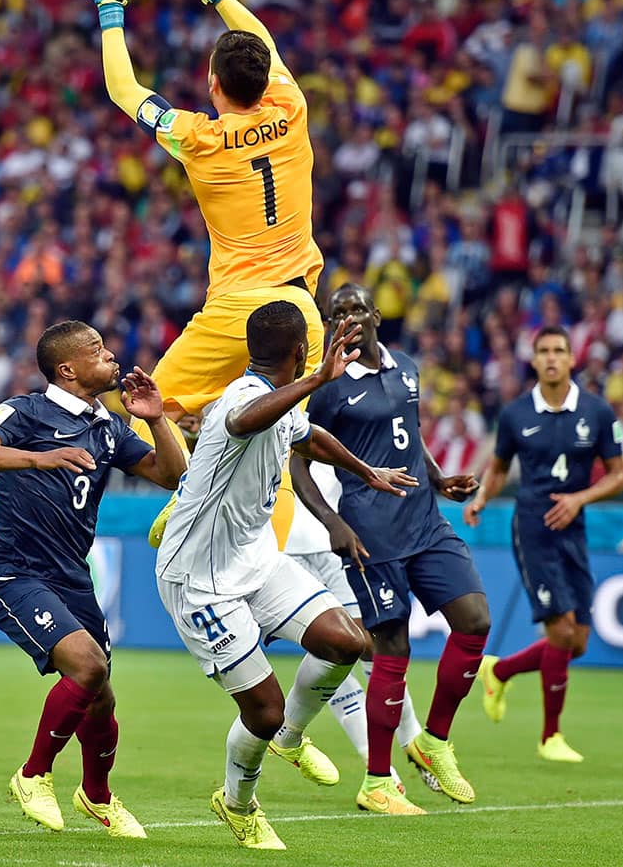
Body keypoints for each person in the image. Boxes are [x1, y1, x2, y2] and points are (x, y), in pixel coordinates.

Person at [82, 0, 325, 542]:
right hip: (303, 309)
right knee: (276, 452)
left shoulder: (196, 138)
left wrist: (111, 8)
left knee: (144, 413)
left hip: (238, 310)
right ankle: (276, 557)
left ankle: (191, 499)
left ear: (213, 85)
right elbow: (261, 43)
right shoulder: (290, 110)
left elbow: (122, 88)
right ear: (264, 78)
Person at [155, 300, 422, 850]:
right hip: (198, 578)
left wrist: (365, 470)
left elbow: (307, 436)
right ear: (301, 351)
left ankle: (291, 737)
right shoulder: (243, 397)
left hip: (255, 558)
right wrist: (316, 380)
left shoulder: (281, 401)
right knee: (262, 708)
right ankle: (238, 803)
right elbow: (241, 420)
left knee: (347, 639)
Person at [0, 321, 186, 837]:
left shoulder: (108, 426)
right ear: (68, 369)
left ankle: (97, 797)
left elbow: (170, 475)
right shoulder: (26, 411)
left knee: (101, 693)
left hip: (73, 577)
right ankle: (33, 775)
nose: (112, 357)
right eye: (98, 350)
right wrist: (37, 457)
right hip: (16, 572)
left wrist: (158, 419)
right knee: (87, 665)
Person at [292, 283, 490, 811]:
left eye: (357, 307)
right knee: (392, 649)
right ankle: (378, 781)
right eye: (339, 313)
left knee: (474, 620)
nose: (350, 317)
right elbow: (299, 461)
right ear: (333, 325)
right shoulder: (330, 389)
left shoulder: (405, 366)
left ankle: (434, 741)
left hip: (425, 521)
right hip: (371, 535)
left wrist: (440, 477)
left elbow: (409, 432)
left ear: (377, 314)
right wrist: (333, 522)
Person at [463, 325, 623, 762]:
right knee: (561, 631)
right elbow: (498, 468)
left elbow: (617, 475)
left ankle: (499, 670)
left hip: (573, 527)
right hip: (533, 528)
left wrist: (580, 499)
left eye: (559, 350)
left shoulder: (597, 412)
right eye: (543, 351)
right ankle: (550, 736)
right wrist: (481, 498)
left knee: (579, 643)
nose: (552, 358)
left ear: (573, 359)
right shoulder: (516, 414)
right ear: (533, 360)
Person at [284, 463, 441, 801]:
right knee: (333, 653)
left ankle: (413, 742)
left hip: (334, 537)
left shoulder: (325, 410)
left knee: (372, 645)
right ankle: (378, 765)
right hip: (280, 548)